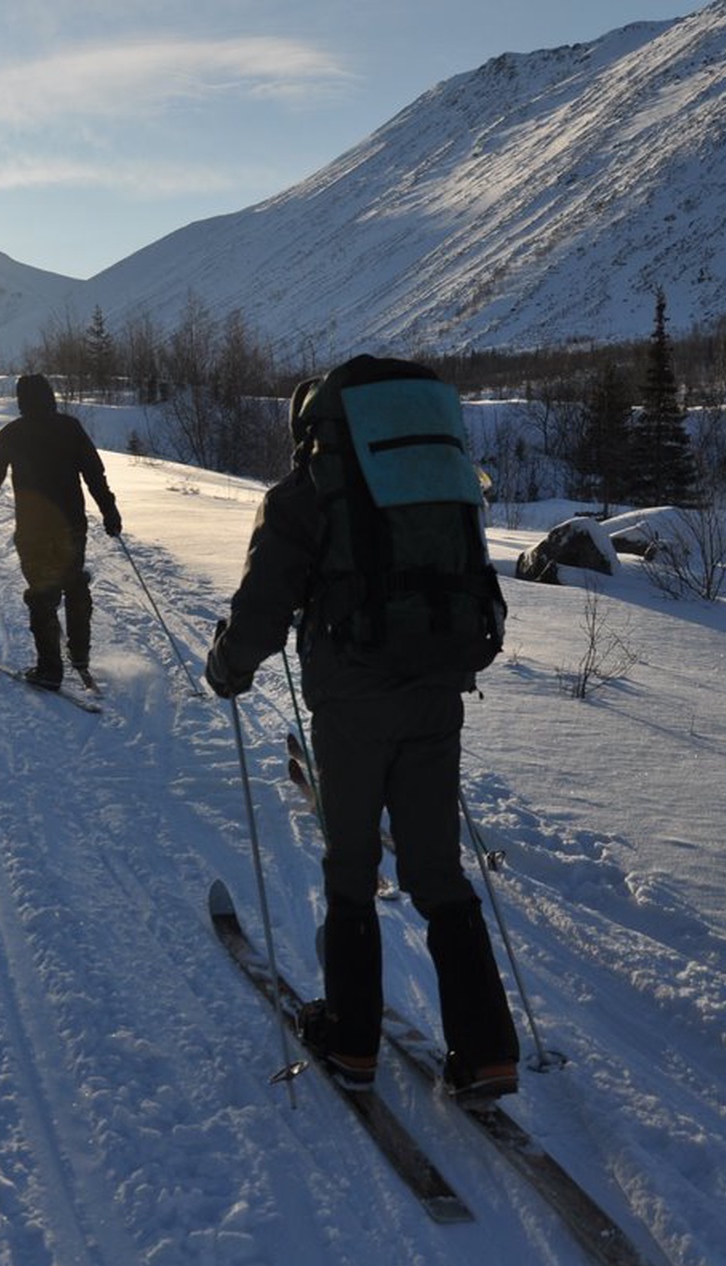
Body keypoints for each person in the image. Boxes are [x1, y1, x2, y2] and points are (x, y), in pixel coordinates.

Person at [205, 355, 519, 1099]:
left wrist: (228, 668)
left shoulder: (311, 489)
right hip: (440, 689)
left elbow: (261, 607)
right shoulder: (436, 477)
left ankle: (350, 1041)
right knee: (437, 869)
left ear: (312, 423)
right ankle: (489, 1053)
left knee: (351, 861)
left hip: (352, 699)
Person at [0, 374, 122, 689]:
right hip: (72, 526)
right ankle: (79, 656)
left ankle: (50, 670)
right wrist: (109, 511)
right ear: (50, 397)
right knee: (75, 585)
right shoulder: (70, 427)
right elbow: (95, 473)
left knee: (43, 595)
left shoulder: (11, 434)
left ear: (22, 401)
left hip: (33, 531)